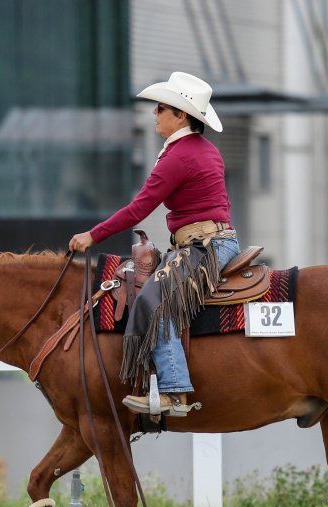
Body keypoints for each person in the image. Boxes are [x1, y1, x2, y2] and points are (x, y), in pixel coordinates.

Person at [68, 72, 240, 417]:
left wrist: (92, 235)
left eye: (161, 108)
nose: (154, 114)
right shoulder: (199, 150)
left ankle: (174, 393)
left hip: (204, 246)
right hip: (208, 242)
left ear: (181, 115)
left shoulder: (181, 156)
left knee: (152, 300)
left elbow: (139, 209)